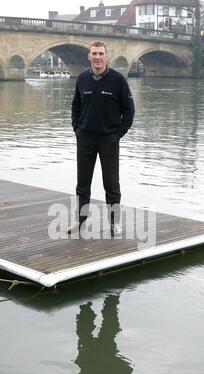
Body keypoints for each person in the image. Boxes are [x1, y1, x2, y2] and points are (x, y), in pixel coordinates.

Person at [68, 40, 135, 237]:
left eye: (101, 54)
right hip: (85, 138)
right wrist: (77, 128)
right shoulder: (82, 79)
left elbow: (129, 110)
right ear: (89, 57)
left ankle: (114, 223)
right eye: (94, 54)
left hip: (109, 139)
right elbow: (75, 106)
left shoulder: (118, 80)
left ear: (107, 56)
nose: (97, 57)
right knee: (82, 183)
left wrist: (118, 134)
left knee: (112, 184)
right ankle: (80, 221)